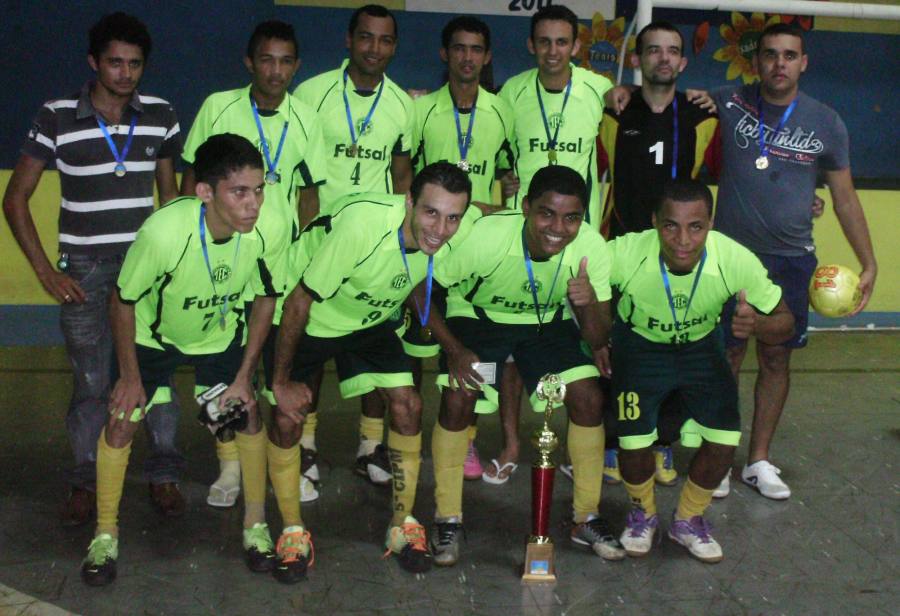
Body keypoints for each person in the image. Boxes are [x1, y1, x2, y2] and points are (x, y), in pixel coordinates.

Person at [2, 12, 185, 526]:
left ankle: (164, 473)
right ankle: (85, 480)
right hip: (82, 269)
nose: (125, 74)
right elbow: (15, 199)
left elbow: (171, 198)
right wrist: (46, 273)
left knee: (156, 374)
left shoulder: (162, 115)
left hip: (146, 270)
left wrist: (174, 266)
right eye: (115, 63)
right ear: (93, 62)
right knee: (90, 381)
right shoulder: (56, 115)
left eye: (135, 64)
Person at [80, 133, 286, 586]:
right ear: (205, 192)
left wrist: (244, 376)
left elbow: (266, 300)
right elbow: (122, 301)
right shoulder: (163, 233)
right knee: (122, 419)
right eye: (239, 192)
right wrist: (130, 376)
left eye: (258, 190)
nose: (253, 204)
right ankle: (105, 534)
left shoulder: (267, 230)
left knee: (248, 415)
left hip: (218, 335)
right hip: (154, 339)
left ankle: (255, 524)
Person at [270, 162, 472, 580]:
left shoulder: (444, 236)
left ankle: (402, 524)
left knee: (408, 405)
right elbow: (298, 302)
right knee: (287, 416)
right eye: (431, 213)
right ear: (409, 201)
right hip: (312, 316)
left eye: (453, 217)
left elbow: (415, 280)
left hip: (368, 319)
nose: (441, 229)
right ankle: (291, 531)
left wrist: (453, 348)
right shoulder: (362, 226)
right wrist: (280, 382)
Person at [425, 165, 625, 566]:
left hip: (544, 324)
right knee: (460, 396)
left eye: (571, 218)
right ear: (526, 207)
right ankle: (448, 518)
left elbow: (597, 335)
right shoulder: (485, 238)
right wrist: (454, 349)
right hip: (479, 319)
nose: (558, 228)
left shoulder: (590, 247)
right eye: (546, 214)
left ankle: (586, 516)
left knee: (588, 397)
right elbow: (424, 286)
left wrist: (587, 302)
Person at [711, 23, 877, 499]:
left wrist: (868, 263)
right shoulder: (728, 102)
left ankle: (758, 461)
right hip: (730, 258)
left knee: (776, 357)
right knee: (725, 356)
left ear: (803, 63)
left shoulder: (826, 122)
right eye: (770, 54)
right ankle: (717, 458)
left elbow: (844, 197)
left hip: (791, 259)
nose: (779, 63)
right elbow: (666, 105)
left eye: (789, 55)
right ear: (756, 61)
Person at [609, 179, 794, 563]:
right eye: (670, 226)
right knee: (633, 441)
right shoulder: (625, 253)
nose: (683, 240)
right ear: (654, 222)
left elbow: (785, 322)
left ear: (710, 224)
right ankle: (643, 514)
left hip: (700, 347)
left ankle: (688, 520)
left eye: (695, 227)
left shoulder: (735, 259)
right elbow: (573, 271)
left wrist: (757, 325)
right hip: (641, 345)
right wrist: (596, 339)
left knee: (724, 437)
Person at [181, 20, 326, 507]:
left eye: (286, 62)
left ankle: (288, 462)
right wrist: (195, 248)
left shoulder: (307, 119)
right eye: (267, 59)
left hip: (278, 268)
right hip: (223, 260)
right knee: (224, 366)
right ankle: (230, 467)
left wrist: (302, 253)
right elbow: (191, 182)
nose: (276, 71)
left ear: (296, 66)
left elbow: (310, 195)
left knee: (276, 369)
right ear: (250, 62)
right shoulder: (218, 107)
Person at [294, 3, 416, 490]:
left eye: (385, 40)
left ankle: (370, 447)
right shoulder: (312, 93)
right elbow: (303, 179)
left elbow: (402, 176)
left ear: (395, 47)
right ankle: (304, 445)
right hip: (323, 243)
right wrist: (307, 240)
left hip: (377, 248)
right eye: (366, 37)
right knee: (310, 350)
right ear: (349, 40)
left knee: (375, 343)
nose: (374, 48)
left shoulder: (402, 104)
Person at [596, 21, 718, 487]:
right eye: (653, 50)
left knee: (676, 349)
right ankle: (615, 442)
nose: (663, 58)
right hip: (623, 250)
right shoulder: (614, 113)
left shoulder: (703, 116)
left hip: (681, 255)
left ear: (683, 62)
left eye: (672, 51)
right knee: (620, 352)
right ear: (637, 59)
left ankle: (663, 441)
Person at [410, 15, 522, 484]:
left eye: (476, 49)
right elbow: (405, 175)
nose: (467, 57)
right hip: (429, 241)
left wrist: (493, 209)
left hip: (476, 248)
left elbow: (509, 177)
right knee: (416, 341)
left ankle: (467, 435)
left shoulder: (501, 111)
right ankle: (405, 433)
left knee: (470, 342)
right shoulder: (421, 109)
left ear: (487, 56)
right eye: (459, 48)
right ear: (445, 53)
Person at [499, 4, 628, 227]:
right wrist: (503, 175)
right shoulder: (512, 91)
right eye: (544, 42)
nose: (552, 51)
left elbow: (642, 99)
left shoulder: (598, 88)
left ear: (575, 47)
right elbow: (497, 148)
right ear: (531, 45)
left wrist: (629, 89)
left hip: (578, 223)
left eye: (561, 42)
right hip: (522, 218)